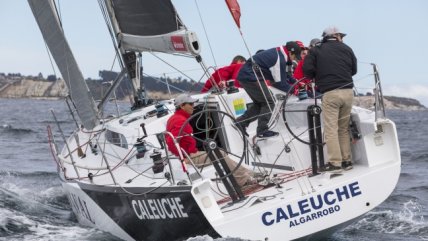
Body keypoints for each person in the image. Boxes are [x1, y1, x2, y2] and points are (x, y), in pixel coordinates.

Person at [165, 93, 257, 187]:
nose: (193, 107)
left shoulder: (174, 118)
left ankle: (248, 173)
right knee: (220, 154)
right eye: (191, 104)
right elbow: (170, 141)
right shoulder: (180, 120)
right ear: (182, 106)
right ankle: (242, 181)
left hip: (190, 154)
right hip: (189, 157)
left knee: (220, 152)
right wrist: (184, 156)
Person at [303, 26, 357, 173]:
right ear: (337, 36)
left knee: (331, 130)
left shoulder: (316, 50)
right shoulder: (347, 48)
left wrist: (318, 74)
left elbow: (307, 71)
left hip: (331, 93)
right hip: (348, 92)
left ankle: (335, 164)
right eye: (341, 36)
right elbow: (354, 70)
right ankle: (347, 161)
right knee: (343, 129)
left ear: (325, 37)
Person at [236, 41, 301, 138]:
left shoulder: (280, 54)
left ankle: (241, 122)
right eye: (295, 57)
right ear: (291, 53)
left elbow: (286, 75)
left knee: (260, 103)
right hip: (250, 77)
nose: (294, 60)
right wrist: (294, 91)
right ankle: (262, 130)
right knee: (269, 101)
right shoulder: (280, 58)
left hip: (246, 76)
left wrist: (297, 82)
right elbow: (279, 83)